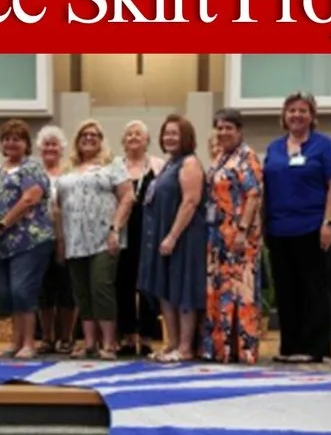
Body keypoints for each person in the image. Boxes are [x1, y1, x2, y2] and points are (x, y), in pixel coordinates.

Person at [262, 89, 331, 363]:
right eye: (291, 111)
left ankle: (315, 348)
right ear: (284, 117)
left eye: (302, 111)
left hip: (311, 226)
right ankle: (290, 347)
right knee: (286, 290)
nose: (296, 115)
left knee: (313, 289)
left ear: (312, 116)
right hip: (278, 229)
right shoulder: (274, 147)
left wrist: (329, 222)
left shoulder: (325, 145)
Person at [134, 113, 206, 362]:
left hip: (184, 237)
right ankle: (172, 343)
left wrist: (173, 235)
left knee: (183, 288)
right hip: (163, 237)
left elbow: (190, 201)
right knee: (166, 290)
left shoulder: (190, 163)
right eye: (166, 133)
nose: (169, 137)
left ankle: (186, 347)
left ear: (186, 137)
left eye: (174, 133)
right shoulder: (168, 163)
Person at [0, 117, 54, 359]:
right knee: (7, 293)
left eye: (17, 139)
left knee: (23, 290)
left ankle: (29, 343)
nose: (11, 143)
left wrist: (1, 225)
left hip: (29, 241)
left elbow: (29, 198)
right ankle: (14, 341)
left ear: (26, 143)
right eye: (7, 139)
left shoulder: (32, 168)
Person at [55, 120, 126, 359]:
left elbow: (127, 197)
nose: (89, 138)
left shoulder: (113, 164)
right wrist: (61, 240)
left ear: (101, 139)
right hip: (74, 238)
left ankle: (108, 343)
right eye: (84, 134)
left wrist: (116, 228)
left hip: (104, 237)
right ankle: (89, 343)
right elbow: (57, 206)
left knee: (101, 286)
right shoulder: (68, 168)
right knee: (81, 292)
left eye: (94, 135)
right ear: (77, 140)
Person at [203, 109, 265, 363]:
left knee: (242, 291)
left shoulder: (247, 156)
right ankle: (223, 348)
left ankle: (244, 349)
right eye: (219, 127)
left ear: (239, 130)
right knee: (221, 291)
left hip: (240, 236)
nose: (223, 132)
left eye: (229, 127)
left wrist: (242, 229)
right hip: (217, 235)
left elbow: (253, 194)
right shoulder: (221, 157)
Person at [112, 119, 159, 356]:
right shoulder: (114, 166)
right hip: (121, 231)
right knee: (124, 284)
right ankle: (128, 337)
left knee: (148, 285)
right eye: (129, 134)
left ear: (147, 140)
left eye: (138, 134)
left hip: (148, 232)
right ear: (123, 141)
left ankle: (148, 336)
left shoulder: (158, 166)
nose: (133, 137)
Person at [34, 125, 77, 354]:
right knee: (44, 289)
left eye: (54, 144)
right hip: (39, 239)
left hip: (68, 237)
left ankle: (66, 337)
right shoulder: (32, 172)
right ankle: (47, 337)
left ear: (61, 149)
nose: (50, 148)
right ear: (40, 148)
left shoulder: (70, 173)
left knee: (67, 289)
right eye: (46, 144)